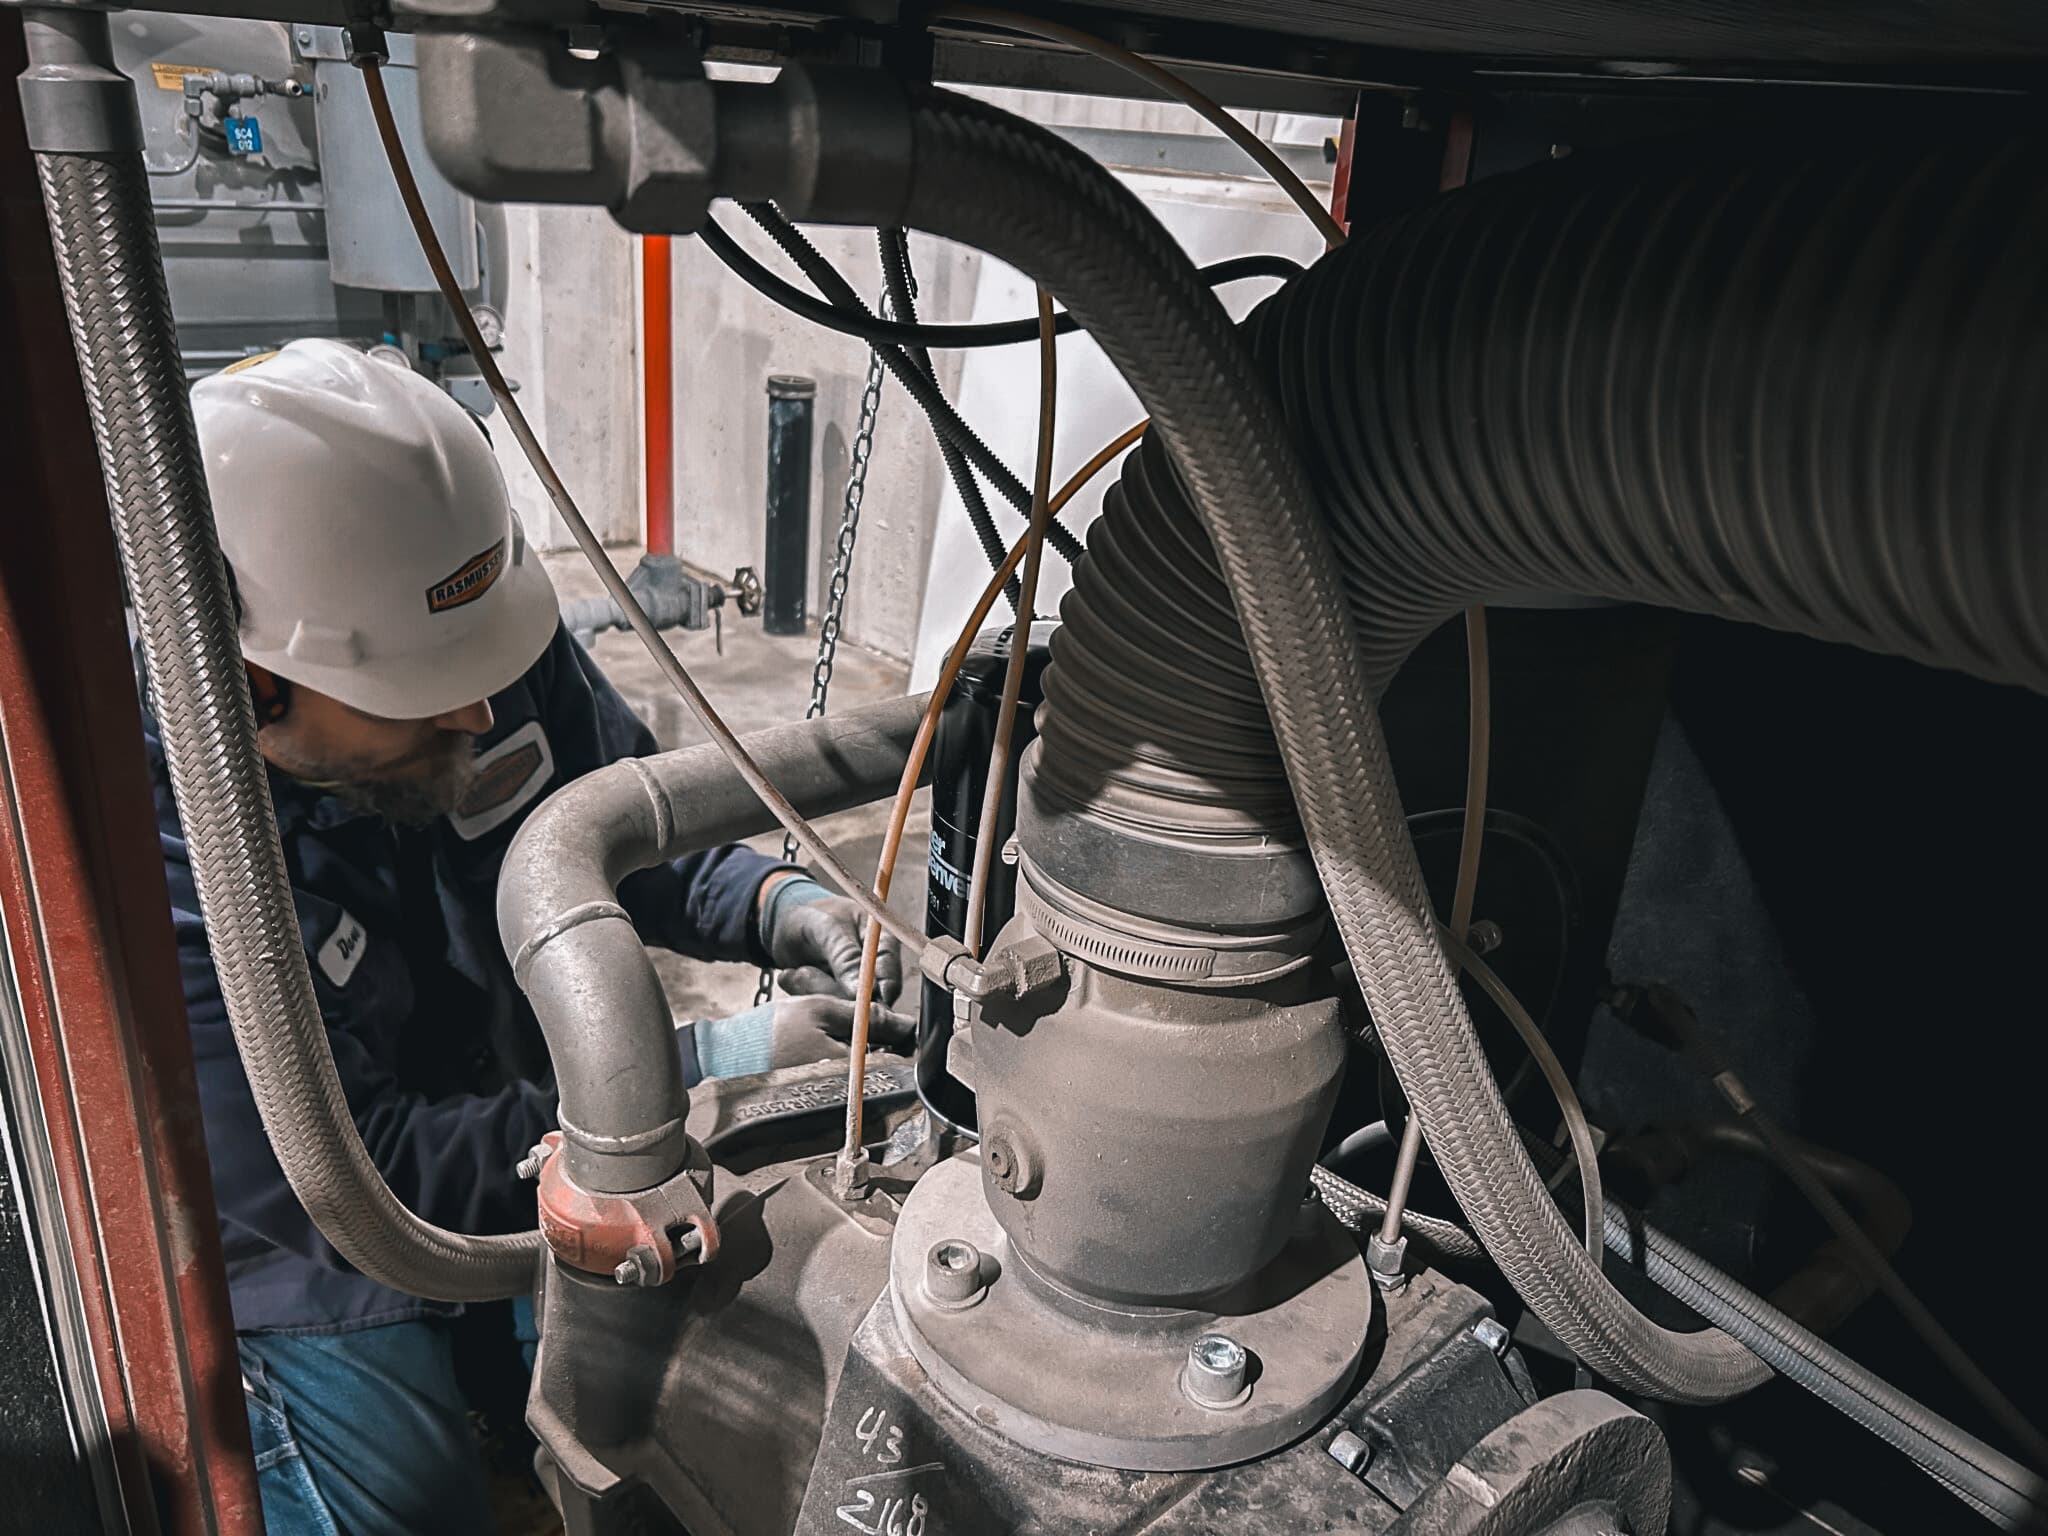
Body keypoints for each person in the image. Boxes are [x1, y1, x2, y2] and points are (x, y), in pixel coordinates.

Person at [154, 340, 906, 1534]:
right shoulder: (154, 844)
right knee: (410, 1500)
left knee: (641, 1346)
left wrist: (782, 904)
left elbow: (622, 827)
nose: (477, 706)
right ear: (246, 684)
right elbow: (361, 1172)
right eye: (420, 687)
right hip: (295, 1225)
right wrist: (709, 1067)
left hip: (497, 1098)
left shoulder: (474, 644)